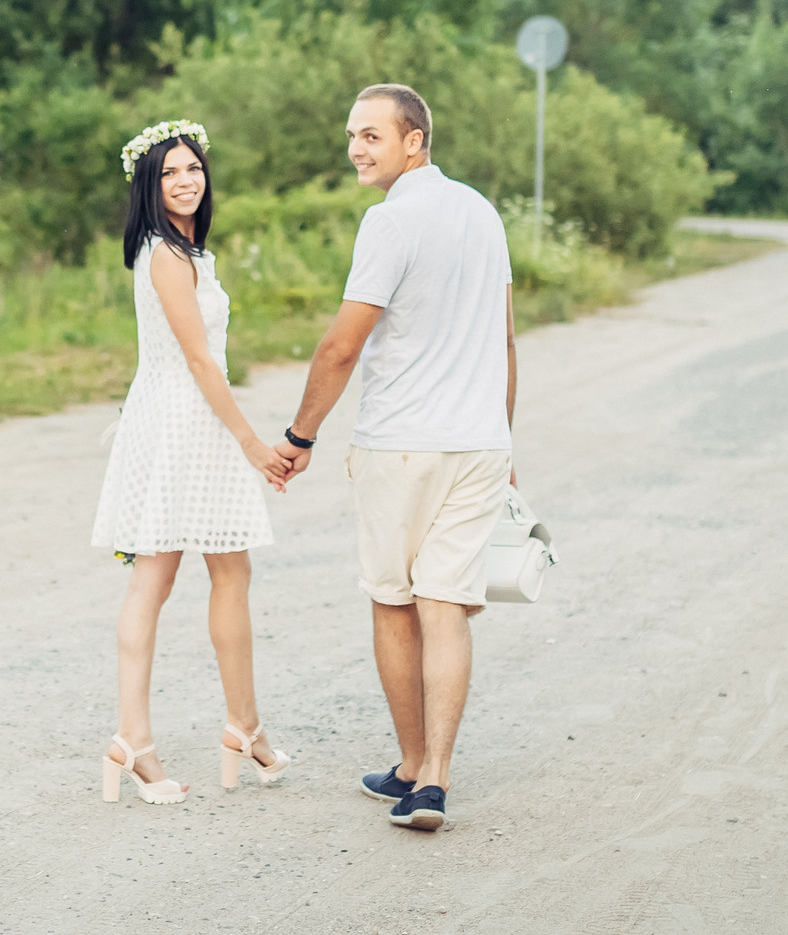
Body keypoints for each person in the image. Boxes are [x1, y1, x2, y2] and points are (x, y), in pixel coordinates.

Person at [274, 85, 516, 833]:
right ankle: (428, 778)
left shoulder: (390, 221)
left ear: (415, 141)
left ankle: (416, 763)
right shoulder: (482, 211)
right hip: (479, 441)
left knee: (393, 599)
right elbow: (505, 341)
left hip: (403, 442)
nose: (356, 148)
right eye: (352, 134)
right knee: (445, 605)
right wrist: (503, 441)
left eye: (372, 135)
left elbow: (343, 344)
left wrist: (300, 435)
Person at [91, 119, 295, 805]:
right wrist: (251, 442)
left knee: (231, 572)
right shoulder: (164, 257)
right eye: (170, 171)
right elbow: (199, 359)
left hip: (189, 417)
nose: (185, 179)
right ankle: (135, 740)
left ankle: (245, 725)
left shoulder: (187, 251)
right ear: (149, 185)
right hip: (183, 422)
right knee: (155, 578)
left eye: (194, 169)